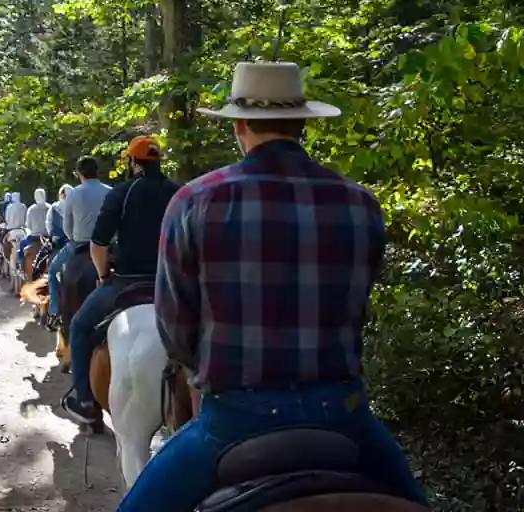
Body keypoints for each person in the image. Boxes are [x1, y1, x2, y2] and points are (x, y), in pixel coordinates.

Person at [117, 62, 427, 510]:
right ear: (303, 123)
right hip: (344, 414)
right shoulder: (361, 203)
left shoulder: (194, 200)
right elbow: (358, 309)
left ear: (239, 125)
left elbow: (175, 326)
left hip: (235, 419)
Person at [61, 136, 180, 423]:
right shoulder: (179, 193)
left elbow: (98, 243)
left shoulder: (122, 193)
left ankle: (86, 402)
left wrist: (103, 276)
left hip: (127, 281)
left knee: (79, 327)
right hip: (171, 285)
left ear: (132, 162)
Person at [47, 156, 111, 320]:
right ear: (97, 171)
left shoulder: (73, 194)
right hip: (108, 246)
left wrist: (73, 238)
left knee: (53, 270)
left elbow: (67, 226)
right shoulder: (110, 191)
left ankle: (55, 311)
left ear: (79, 173)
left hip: (80, 244)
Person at [18, 188, 50, 267]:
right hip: (48, 236)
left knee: (22, 245)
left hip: (34, 236)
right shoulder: (50, 207)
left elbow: (28, 225)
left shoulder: (31, 209)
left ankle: (21, 265)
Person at [46, 184, 73, 250]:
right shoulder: (76, 206)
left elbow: (48, 222)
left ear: (61, 194)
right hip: (73, 239)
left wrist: (51, 234)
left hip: (57, 238)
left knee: (42, 256)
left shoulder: (54, 206)